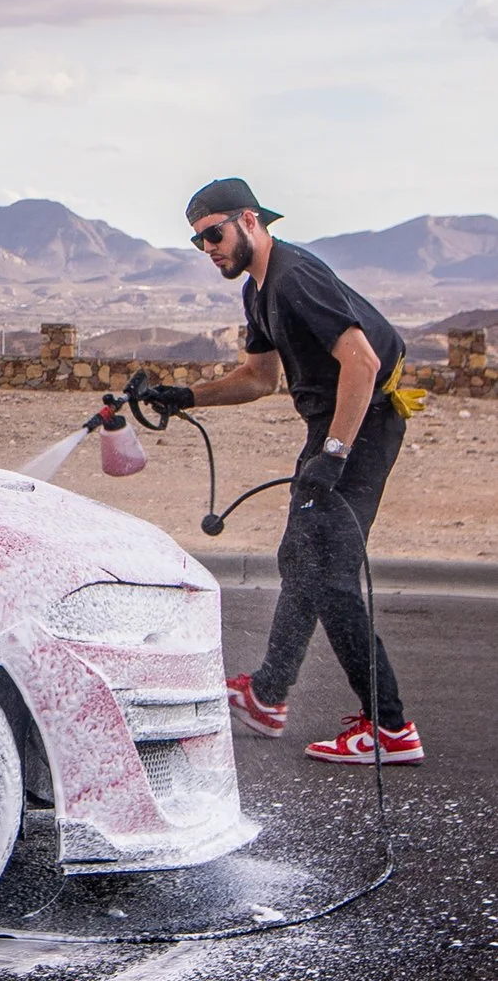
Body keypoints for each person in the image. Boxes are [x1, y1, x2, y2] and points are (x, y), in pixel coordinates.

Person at [173, 176, 423, 766]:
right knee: (301, 560)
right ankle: (267, 695)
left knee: (330, 575)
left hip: (361, 427)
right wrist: (183, 395)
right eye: (198, 242)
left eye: (214, 233)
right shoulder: (258, 291)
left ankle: (390, 730)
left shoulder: (293, 277)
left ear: (250, 221)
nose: (209, 248)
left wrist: (334, 455)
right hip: (333, 430)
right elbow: (260, 379)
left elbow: (361, 362)